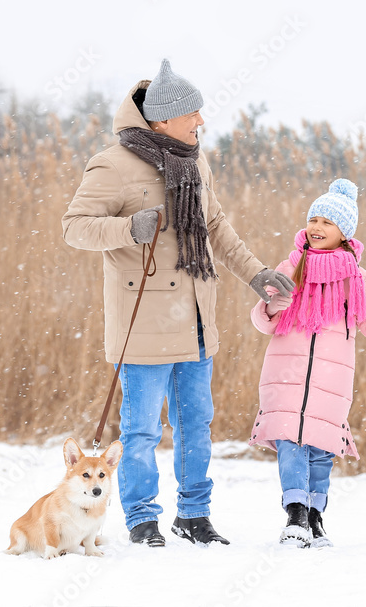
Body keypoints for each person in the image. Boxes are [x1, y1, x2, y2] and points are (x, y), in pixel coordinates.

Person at [62, 59, 295, 547]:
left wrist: (256, 274)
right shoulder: (113, 163)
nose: (201, 122)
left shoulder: (195, 160)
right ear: (162, 119)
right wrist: (127, 228)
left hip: (194, 320)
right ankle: (142, 517)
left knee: (196, 425)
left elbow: (215, 227)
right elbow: (74, 226)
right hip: (142, 321)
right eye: (193, 114)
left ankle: (194, 515)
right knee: (141, 433)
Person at [248, 179, 366, 547]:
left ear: (345, 233)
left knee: (322, 448)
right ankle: (294, 512)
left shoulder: (357, 277)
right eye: (314, 219)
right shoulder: (290, 266)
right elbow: (263, 321)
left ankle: (315, 516)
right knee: (291, 440)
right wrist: (270, 306)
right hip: (285, 374)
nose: (317, 227)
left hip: (331, 378)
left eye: (328, 222)